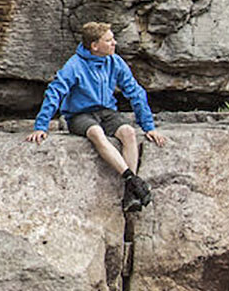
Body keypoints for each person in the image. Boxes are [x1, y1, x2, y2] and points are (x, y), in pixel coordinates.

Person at [26, 21, 167, 211]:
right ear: (94, 46)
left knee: (128, 133)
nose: (114, 43)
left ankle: (130, 194)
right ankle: (131, 180)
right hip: (79, 115)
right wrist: (41, 126)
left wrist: (148, 127)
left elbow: (135, 92)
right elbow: (55, 92)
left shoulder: (115, 62)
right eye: (108, 40)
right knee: (96, 133)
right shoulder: (74, 65)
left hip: (107, 112)